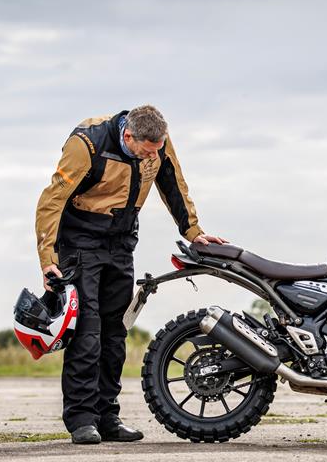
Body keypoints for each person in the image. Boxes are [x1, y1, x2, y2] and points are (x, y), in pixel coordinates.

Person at [35, 105, 225, 444]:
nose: (153, 155)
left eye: (157, 149)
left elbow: (173, 183)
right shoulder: (88, 144)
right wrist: (48, 258)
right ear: (128, 136)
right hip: (81, 241)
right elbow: (52, 200)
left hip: (121, 241)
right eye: (147, 150)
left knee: (115, 331)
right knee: (88, 331)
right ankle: (81, 418)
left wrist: (193, 231)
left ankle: (108, 416)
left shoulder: (158, 143)